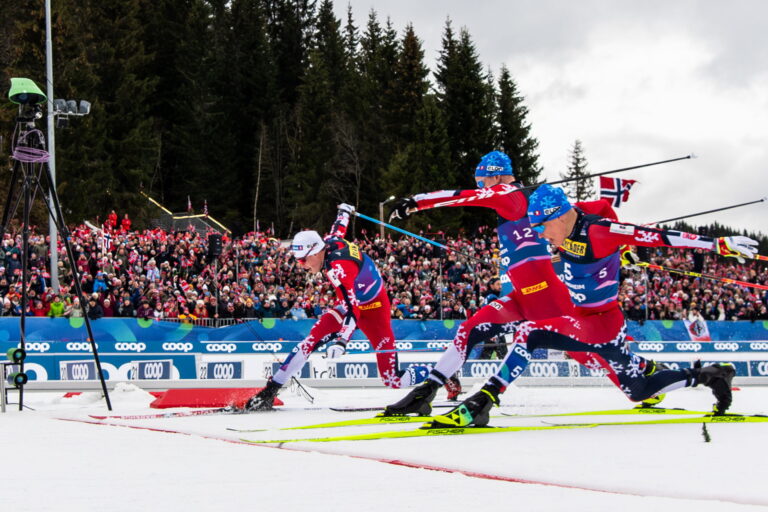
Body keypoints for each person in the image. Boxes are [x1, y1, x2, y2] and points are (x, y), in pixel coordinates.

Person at [430, 184, 754, 427]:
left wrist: (718, 244)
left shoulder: (598, 231)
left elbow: (655, 236)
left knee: (531, 333)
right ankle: (712, 375)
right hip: (600, 324)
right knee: (638, 391)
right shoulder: (571, 217)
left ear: (558, 217)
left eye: (543, 227)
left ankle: (482, 401)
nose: (543, 236)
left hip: (599, 324)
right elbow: (599, 206)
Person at [382, 151, 629, 416]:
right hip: (522, 298)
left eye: (482, 182)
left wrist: (415, 202)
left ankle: (642, 379)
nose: (482, 188)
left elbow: (462, 196)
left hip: (547, 297)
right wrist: (619, 242)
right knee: (468, 330)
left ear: (496, 175)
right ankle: (426, 391)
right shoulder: (533, 202)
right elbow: (599, 209)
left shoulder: (508, 194)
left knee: (591, 357)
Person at [242, 204, 432, 411]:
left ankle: (439, 373)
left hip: (375, 309)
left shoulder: (338, 269)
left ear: (315, 252)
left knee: (393, 379)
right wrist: (344, 212)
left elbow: (354, 310)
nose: (302, 265)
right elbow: (338, 228)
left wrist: (342, 341)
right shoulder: (329, 243)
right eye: (298, 261)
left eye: (304, 259)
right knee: (310, 342)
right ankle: (270, 390)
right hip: (352, 305)